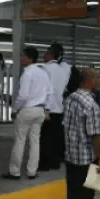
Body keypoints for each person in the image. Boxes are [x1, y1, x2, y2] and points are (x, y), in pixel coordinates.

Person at [63, 68, 100, 199]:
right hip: (86, 155)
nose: (99, 82)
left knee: (73, 189)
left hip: (71, 153)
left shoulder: (70, 99)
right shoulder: (91, 105)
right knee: (86, 192)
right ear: (90, 81)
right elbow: (95, 134)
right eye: (97, 78)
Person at [3, 47, 52, 180]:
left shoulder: (28, 73)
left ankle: (15, 171)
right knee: (35, 142)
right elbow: (49, 92)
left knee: (20, 141)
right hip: (40, 110)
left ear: (29, 58)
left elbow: (23, 95)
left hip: (27, 110)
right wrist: (46, 109)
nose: (21, 58)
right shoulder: (43, 73)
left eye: (23, 56)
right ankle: (32, 171)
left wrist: (14, 109)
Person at [40, 43, 73, 172]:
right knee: (55, 138)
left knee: (44, 138)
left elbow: (43, 88)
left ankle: (44, 164)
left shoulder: (45, 68)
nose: (44, 56)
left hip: (47, 107)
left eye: (46, 53)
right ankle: (55, 162)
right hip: (59, 107)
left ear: (51, 55)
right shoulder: (64, 68)